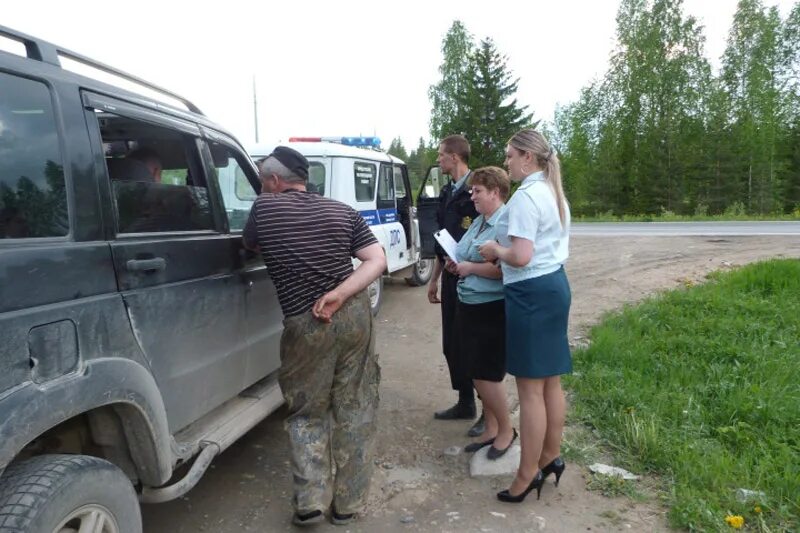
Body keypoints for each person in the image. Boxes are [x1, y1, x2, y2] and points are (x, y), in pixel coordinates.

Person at [243, 146, 386, 526]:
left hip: (308, 321)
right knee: (355, 406)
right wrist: (340, 293)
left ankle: (310, 503)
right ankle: (348, 504)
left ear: (274, 181)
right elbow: (377, 259)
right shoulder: (341, 210)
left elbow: (251, 245)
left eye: (263, 181)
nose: (263, 188)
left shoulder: (264, 208)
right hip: (354, 313)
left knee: (307, 411)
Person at [479, 129, 572, 503]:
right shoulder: (552, 191)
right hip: (553, 286)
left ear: (527, 158)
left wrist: (493, 249)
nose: (507, 162)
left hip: (531, 293)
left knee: (530, 390)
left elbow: (520, 255)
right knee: (550, 382)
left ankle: (527, 472)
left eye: (510, 155)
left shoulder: (525, 197)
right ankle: (549, 457)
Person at [444, 166, 515, 459]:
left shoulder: (503, 222)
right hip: (470, 303)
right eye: (472, 190)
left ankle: (507, 431)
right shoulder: (481, 221)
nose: (472, 196)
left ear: (496, 192)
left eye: (478, 191)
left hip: (489, 307)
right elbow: (463, 252)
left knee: (486, 373)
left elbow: (505, 270)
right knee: (475, 370)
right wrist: (455, 265)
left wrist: (470, 268)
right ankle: (491, 429)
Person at [427, 134, 483, 435]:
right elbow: (442, 241)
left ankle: (490, 411)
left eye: (441, 155)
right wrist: (434, 279)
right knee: (453, 343)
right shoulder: (448, 192)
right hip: (449, 277)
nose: (439, 160)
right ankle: (465, 401)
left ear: (455, 157)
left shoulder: (478, 191)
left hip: (475, 278)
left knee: (475, 344)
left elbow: (489, 234)